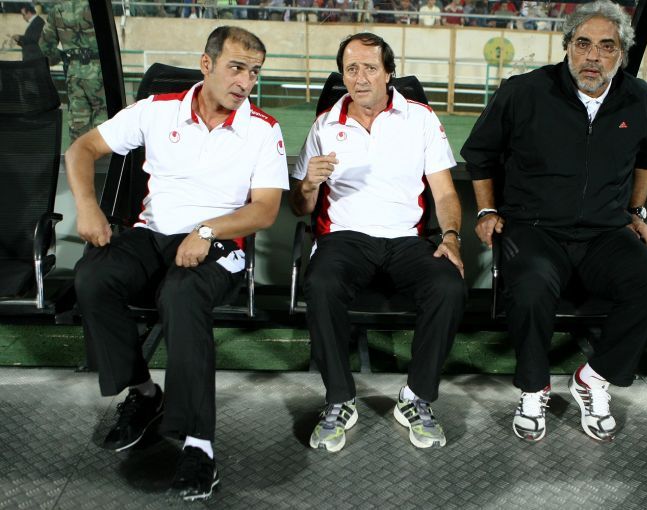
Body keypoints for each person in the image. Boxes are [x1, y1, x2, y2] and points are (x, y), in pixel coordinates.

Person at [66, 26, 288, 500]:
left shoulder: (262, 129)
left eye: (254, 72)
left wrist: (206, 231)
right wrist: (87, 206)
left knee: (182, 294)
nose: (245, 82)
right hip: (152, 234)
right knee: (92, 276)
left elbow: (265, 210)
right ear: (207, 64)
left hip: (220, 244)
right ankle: (145, 395)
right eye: (236, 68)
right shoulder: (157, 110)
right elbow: (81, 149)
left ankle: (198, 446)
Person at [461, 0, 647, 443]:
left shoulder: (640, 98)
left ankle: (593, 379)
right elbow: (480, 153)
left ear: (621, 54)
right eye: (583, 44)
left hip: (604, 233)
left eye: (606, 46)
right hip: (534, 229)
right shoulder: (524, 91)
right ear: (567, 47)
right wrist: (486, 210)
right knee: (531, 286)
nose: (593, 56)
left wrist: (636, 212)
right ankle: (533, 388)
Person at [290, 33, 466, 452]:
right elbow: (299, 206)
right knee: (321, 283)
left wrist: (451, 237)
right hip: (344, 237)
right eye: (351, 69)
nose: (360, 77)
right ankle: (339, 399)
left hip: (406, 238)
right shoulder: (325, 124)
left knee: (448, 284)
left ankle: (416, 397)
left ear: (389, 73)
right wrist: (309, 184)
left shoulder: (421, 118)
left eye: (370, 68)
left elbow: (444, 193)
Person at [39, 0, 106, 142]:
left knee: (78, 123)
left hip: (74, 72)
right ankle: (101, 155)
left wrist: (62, 57)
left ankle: (79, 154)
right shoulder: (98, 6)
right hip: (99, 71)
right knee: (104, 119)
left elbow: (45, 46)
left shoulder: (57, 9)